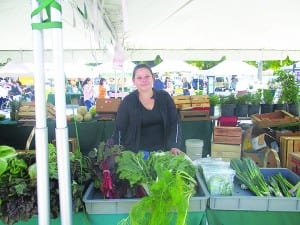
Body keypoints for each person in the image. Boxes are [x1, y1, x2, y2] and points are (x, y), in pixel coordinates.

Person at [112, 64, 183, 155]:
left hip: (164, 152)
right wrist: (118, 150)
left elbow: (175, 123)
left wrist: (175, 145)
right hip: (136, 155)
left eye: (147, 76)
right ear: (134, 81)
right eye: (139, 78)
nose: (143, 80)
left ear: (153, 78)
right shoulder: (127, 102)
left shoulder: (165, 97)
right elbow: (119, 130)